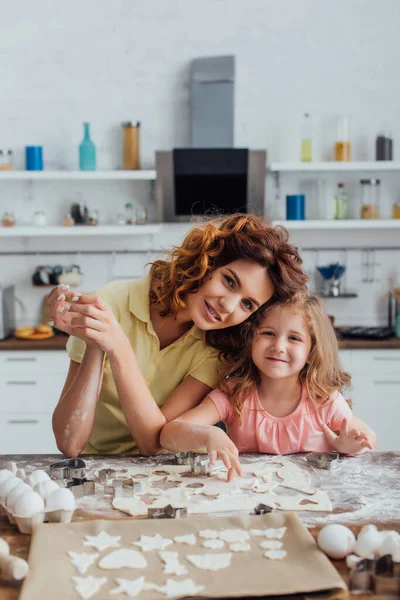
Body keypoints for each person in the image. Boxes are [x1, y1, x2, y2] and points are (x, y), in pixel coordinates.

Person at [49, 214, 308, 457]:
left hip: (163, 473)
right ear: (206, 262)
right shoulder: (112, 303)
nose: (228, 307)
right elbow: (69, 443)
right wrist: (97, 345)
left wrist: (118, 347)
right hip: (95, 467)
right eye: (229, 281)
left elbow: (154, 444)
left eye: (247, 304)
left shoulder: (219, 347)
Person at [160, 294, 377, 480]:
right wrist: (208, 435)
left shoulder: (323, 399)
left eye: (294, 338)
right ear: (251, 339)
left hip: (310, 501)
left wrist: (351, 446)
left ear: (311, 353)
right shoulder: (234, 394)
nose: (278, 346)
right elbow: (169, 434)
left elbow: (368, 436)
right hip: (250, 499)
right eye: (268, 333)